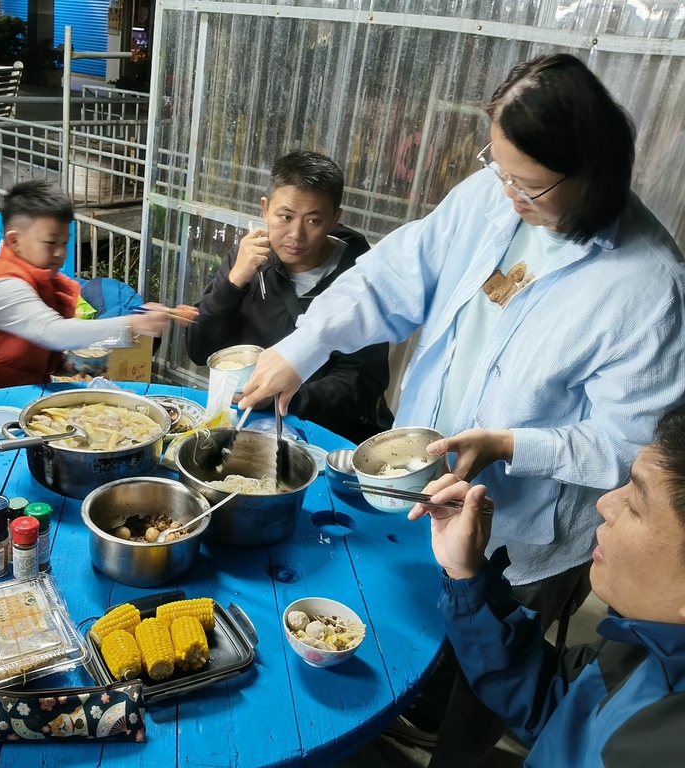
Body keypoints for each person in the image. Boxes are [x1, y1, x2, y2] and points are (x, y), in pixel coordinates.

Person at [239, 54, 685, 762]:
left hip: (527, 530)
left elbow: (628, 446)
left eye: (528, 184)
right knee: (416, 625)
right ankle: (408, 714)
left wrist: (509, 445)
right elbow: (390, 278)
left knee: (498, 674)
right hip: (424, 483)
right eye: (497, 167)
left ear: (591, 173)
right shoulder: (489, 199)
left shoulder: (648, 287)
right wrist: (305, 345)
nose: (507, 193)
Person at [407, 403, 685, 767]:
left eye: (635, 505)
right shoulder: (648, 642)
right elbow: (555, 702)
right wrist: (467, 574)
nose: (605, 504)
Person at [185, 151, 392, 443]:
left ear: (334, 219)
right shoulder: (247, 259)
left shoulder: (360, 280)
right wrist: (233, 283)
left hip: (321, 438)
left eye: (313, 221)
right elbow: (199, 350)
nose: (296, 234)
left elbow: (360, 385)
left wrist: (286, 397)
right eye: (285, 217)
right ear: (265, 209)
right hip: (244, 426)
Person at [0, 180, 193, 389]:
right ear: (14, 240)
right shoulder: (4, 286)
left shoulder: (42, 280)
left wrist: (64, 364)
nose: (60, 252)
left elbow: (31, 347)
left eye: (64, 242)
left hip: (24, 390)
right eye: (51, 243)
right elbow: (52, 332)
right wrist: (134, 323)